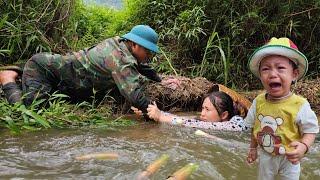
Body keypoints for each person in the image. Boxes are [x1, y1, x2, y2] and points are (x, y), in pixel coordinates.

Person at [0, 25, 179, 115]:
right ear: (134, 44)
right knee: (29, 112)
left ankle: (22, 75)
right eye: (147, 50)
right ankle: (8, 79)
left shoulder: (120, 44)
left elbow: (140, 66)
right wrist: (159, 116)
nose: (148, 55)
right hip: (44, 70)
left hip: (63, 77)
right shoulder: (120, 59)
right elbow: (134, 96)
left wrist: (160, 80)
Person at [245, 37, 319, 180]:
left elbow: (311, 130)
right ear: (260, 75)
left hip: (290, 157)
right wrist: (253, 148)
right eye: (266, 69)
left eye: (280, 68)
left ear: (294, 74)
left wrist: (303, 147)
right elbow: (255, 127)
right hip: (266, 156)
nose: (273, 74)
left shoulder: (300, 105)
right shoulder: (258, 102)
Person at [132, 89, 249, 131]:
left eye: (207, 109)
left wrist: (162, 117)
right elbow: (183, 119)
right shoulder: (212, 120)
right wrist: (150, 113)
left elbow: (195, 124)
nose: (202, 113)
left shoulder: (237, 125)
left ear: (224, 115)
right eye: (202, 108)